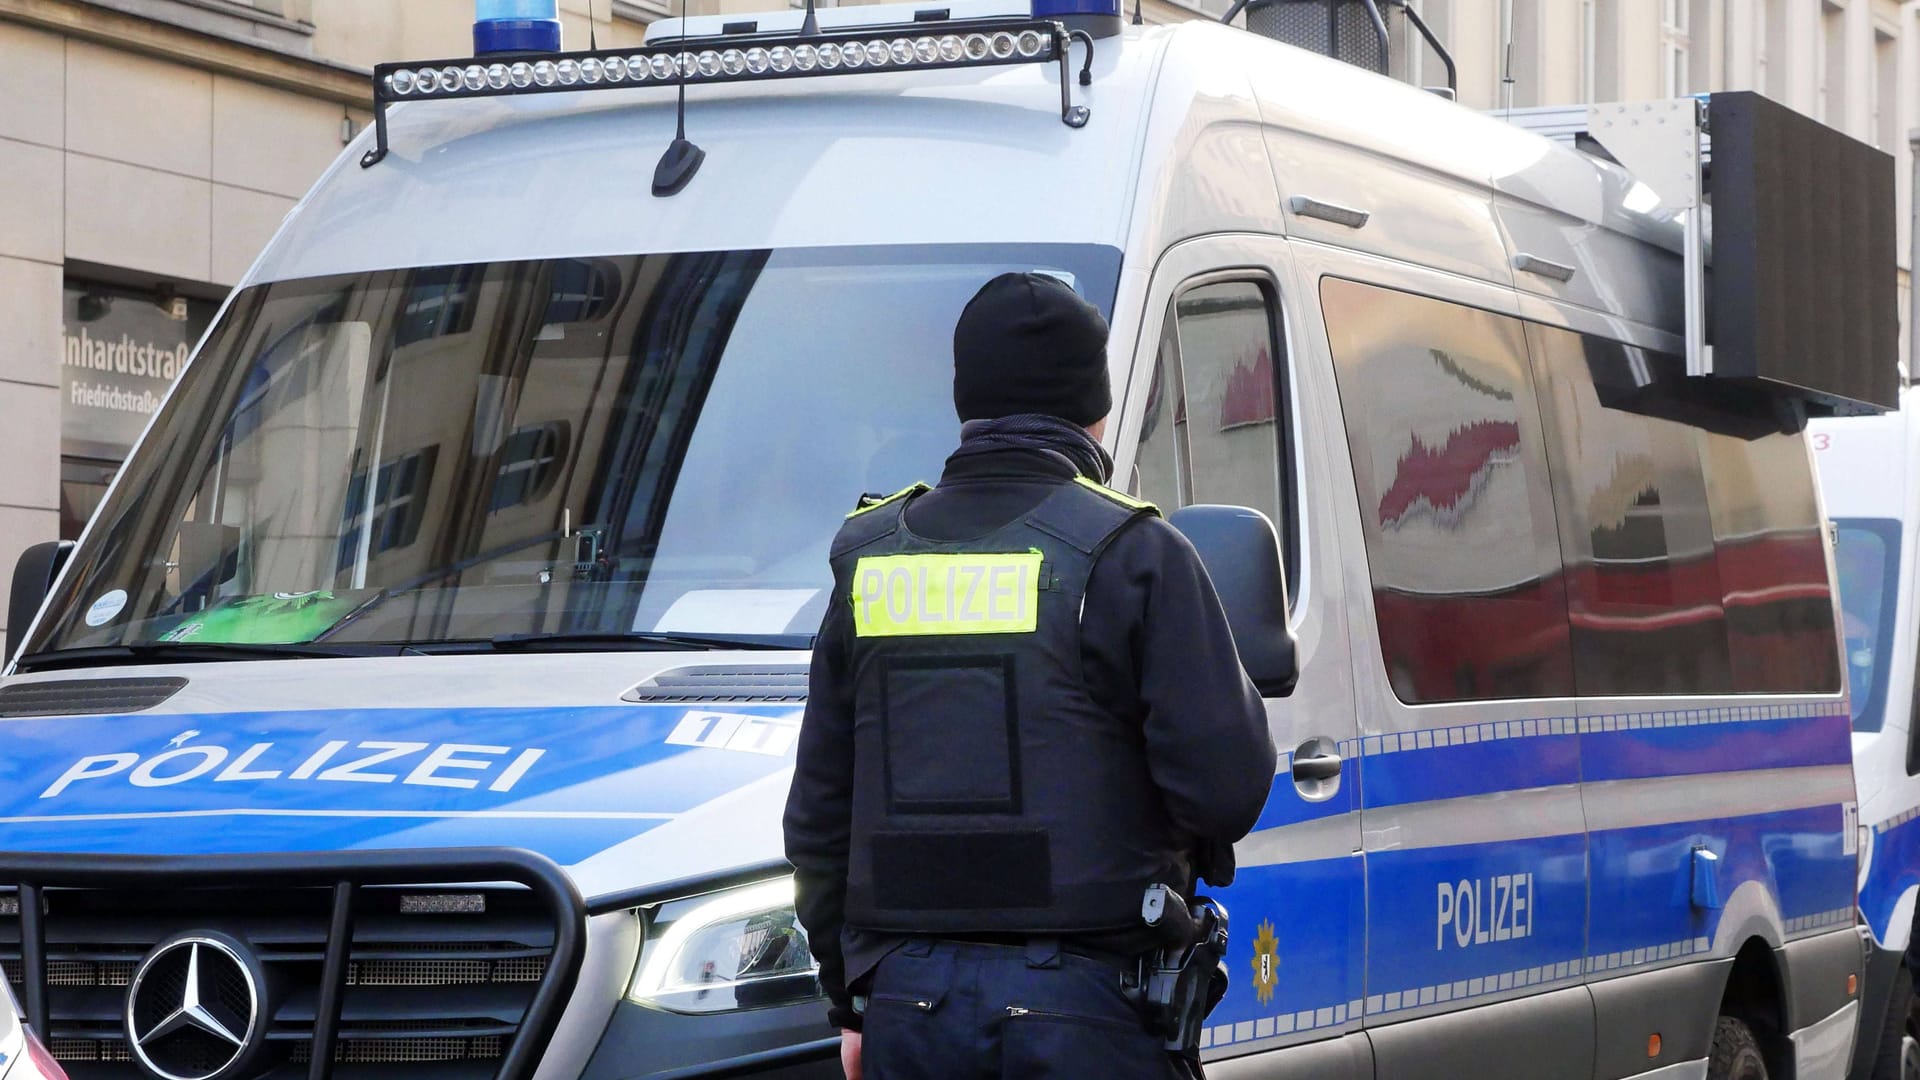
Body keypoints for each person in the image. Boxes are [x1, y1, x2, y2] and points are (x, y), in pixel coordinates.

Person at [783, 271, 1277, 1080]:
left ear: (966, 400)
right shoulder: (1132, 554)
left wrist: (853, 1004)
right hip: (1091, 1012)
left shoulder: (871, 561)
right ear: (1096, 407)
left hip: (909, 1011)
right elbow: (1228, 788)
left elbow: (817, 824)